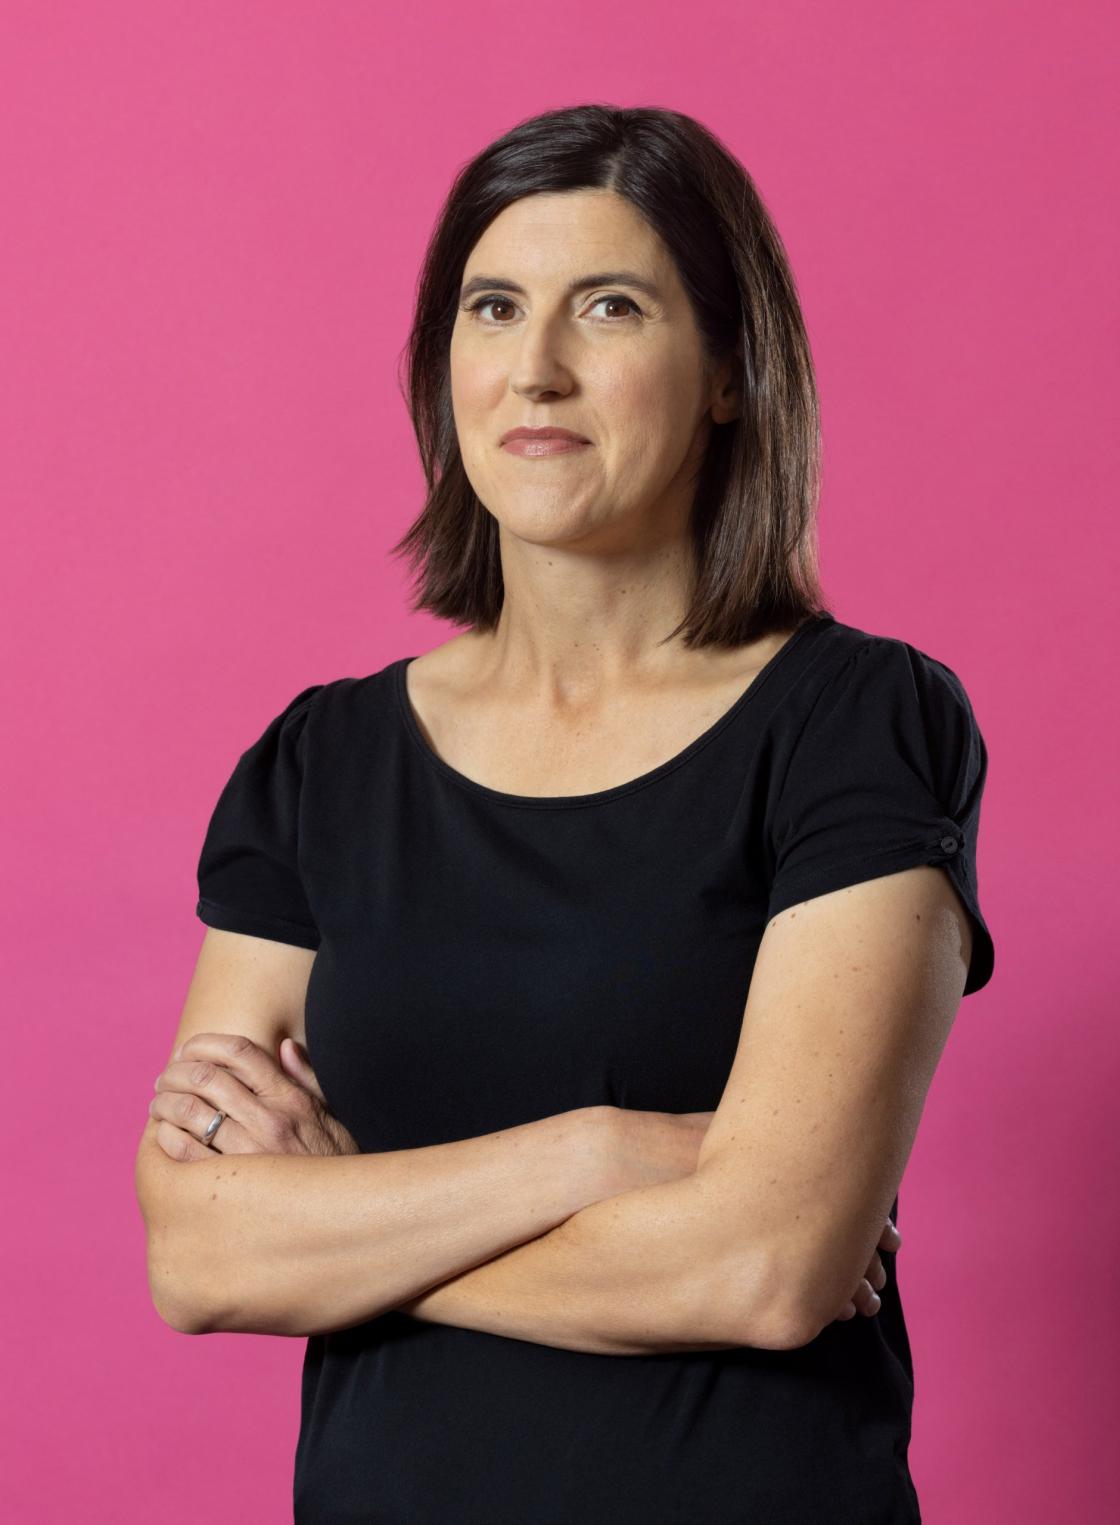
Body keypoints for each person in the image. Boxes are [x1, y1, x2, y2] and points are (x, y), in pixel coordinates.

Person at [135, 103, 995, 1523]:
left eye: (609, 306)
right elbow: (198, 1257)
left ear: (728, 369)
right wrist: (602, 1147)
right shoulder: (319, 762)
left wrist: (346, 1238)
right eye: (492, 307)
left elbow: (766, 1270)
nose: (534, 368)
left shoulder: (858, 724)